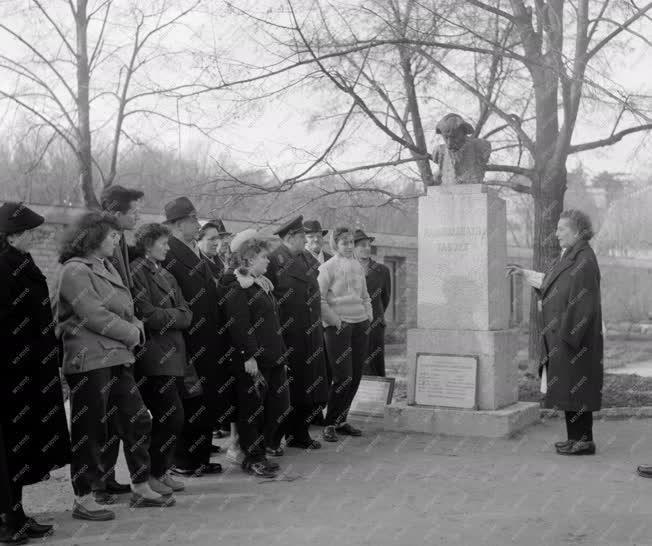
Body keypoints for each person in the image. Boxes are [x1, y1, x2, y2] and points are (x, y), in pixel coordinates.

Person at [55, 212, 173, 522]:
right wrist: (133, 331)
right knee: (91, 429)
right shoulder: (75, 271)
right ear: (92, 238)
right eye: (111, 236)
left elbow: (125, 306)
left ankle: (140, 484)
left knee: (137, 420)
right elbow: (93, 315)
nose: (117, 241)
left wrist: (133, 322)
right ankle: (83, 496)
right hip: (90, 360)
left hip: (118, 357)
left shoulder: (107, 267)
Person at [0, 203, 71, 542]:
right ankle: (6, 521)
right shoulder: (2, 266)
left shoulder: (22, 261)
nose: (36, 236)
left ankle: (17, 514)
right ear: (14, 235)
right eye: (31, 232)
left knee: (23, 448)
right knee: (10, 449)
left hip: (31, 371)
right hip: (12, 373)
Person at [507, 209, 603, 456]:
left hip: (574, 339)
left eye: (562, 229)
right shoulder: (571, 256)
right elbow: (551, 282)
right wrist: (524, 273)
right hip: (564, 337)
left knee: (578, 390)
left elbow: (584, 304)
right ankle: (574, 439)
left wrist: (568, 336)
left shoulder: (584, 260)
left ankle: (584, 441)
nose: (556, 233)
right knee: (570, 390)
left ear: (578, 231)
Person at [161, 197, 227, 477]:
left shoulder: (192, 250)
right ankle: (183, 460)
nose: (196, 224)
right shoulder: (170, 252)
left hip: (207, 336)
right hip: (188, 337)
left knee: (206, 398)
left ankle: (200, 457)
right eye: (191, 219)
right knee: (189, 399)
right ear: (177, 224)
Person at [218, 229, 290, 477]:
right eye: (263, 257)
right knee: (252, 410)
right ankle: (253, 457)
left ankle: (260, 449)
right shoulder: (238, 286)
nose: (268, 260)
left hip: (272, 357)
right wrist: (248, 356)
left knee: (275, 406)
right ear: (248, 260)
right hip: (252, 361)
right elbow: (239, 325)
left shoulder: (260, 284)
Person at [131, 223, 194, 496]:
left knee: (174, 417)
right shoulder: (136, 271)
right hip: (153, 357)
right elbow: (146, 313)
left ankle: (160, 471)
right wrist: (174, 317)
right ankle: (152, 473)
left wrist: (169, 317)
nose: (168, 248)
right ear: (147, 244)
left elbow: (187, 314)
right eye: (163, 243)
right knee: (170, 416)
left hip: (172, 355)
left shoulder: (166, 274)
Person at [94, 184, 145, 503]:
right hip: (103, 346)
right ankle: (96, 485)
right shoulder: (96, 247)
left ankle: (107, 476)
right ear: (115, 214)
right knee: (100, 416)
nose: (138, 215)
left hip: (123, 339)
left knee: (117, 414)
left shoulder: (122, 242)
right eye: (133, 211)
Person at [266, 216, 329, 453]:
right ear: (290, 237)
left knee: (309, 386)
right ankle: (273, 439)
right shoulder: (274, 261)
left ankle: (299, 433)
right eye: (303, 236)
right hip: (288, 334)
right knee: (286, 390)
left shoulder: (306, 258)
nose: (308, 240)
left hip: (310, 332)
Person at [318, 226, 373, 442]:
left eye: (351, 242)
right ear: (336, 245)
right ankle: (329, 423)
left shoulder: (358, 266)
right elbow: (320, 300)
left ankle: (342, 420)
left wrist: (368, 315)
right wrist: (336, 321)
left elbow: (366, 295)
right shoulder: (327, 268)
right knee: (343, 376)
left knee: (356, 375)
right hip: (338, 326)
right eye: (344, 243)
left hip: (360, 325)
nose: (349, 246)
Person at [303, 219, 333, 426]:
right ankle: (311, 412)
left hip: (332, 322)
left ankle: (323, 409)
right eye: (310, 236)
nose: (315, 239)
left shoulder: (332, 260)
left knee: (330, 368)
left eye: (318, 236)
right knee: (313, 368)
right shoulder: (300, 260)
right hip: (310, 324)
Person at [353, 229, 391, 377]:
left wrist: (376, 315)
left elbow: (385, 298)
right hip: (353, 324)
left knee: (376, 364)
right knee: (357, 364)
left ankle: (378, 398)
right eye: (362, 245)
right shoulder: (347, 268)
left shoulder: (382, 270)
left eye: (368, 245)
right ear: (354, 248)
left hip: (375, 325)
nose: (367, 248)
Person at [432, 113, 492, 185]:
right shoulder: (439, 152)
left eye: (454, 137)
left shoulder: (481, 146)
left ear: (464, 132)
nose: (449, 144)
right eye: (446, 138)